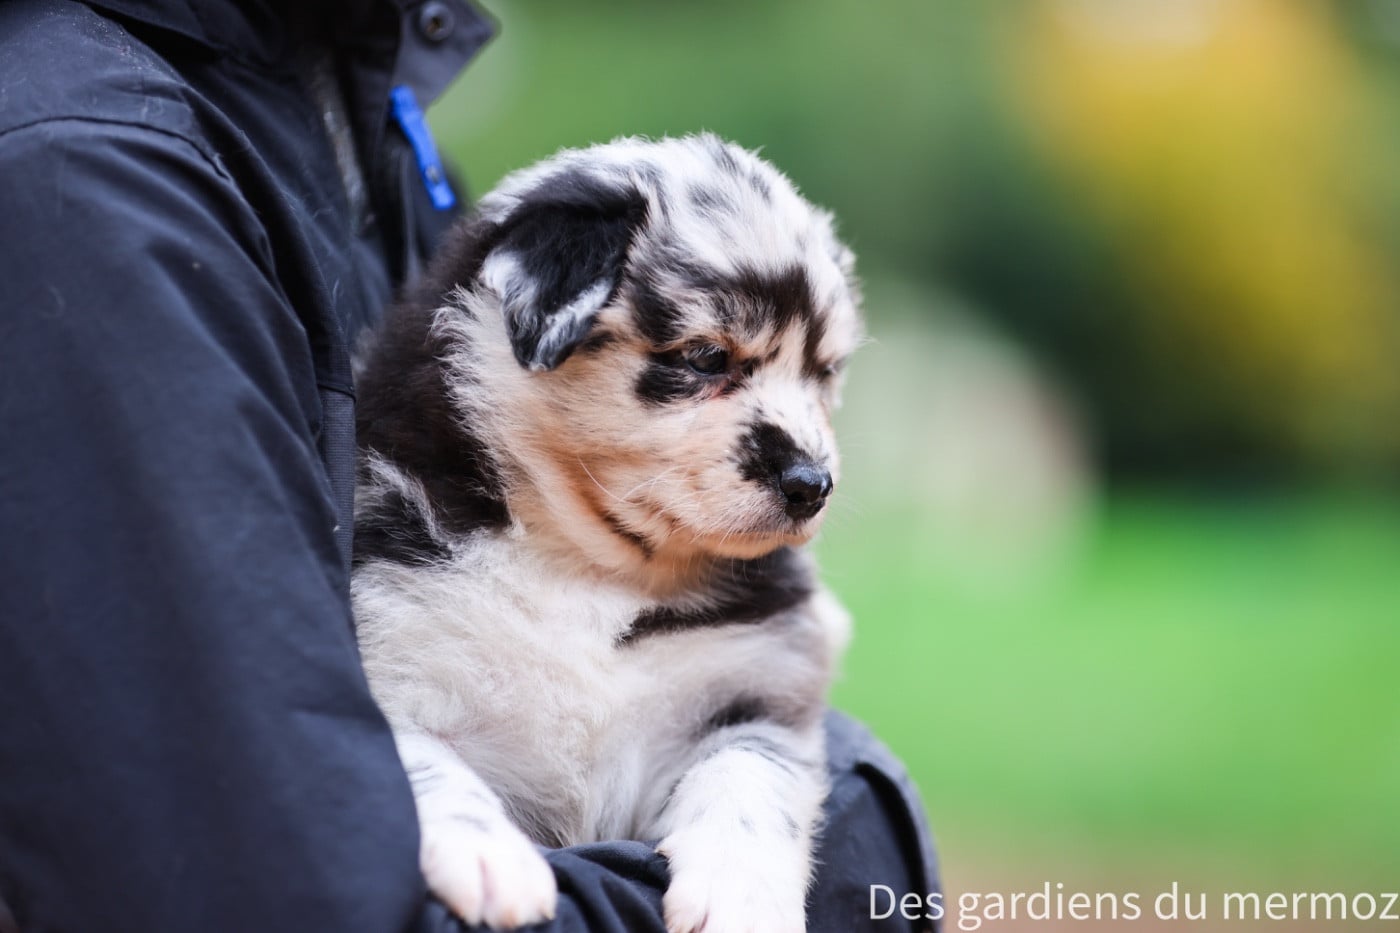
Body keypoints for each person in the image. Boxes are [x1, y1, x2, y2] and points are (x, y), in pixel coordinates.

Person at [0, 1, 941, 930]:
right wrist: (863, 845)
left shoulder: (359, 110)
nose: (809, 455)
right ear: (537, 313)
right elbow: (272, 870)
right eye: (705, 359)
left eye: (820, 374)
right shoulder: (93, 164)